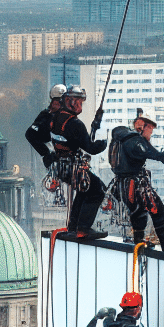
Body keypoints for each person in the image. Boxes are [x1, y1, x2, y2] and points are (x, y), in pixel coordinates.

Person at [109, 107, 164, 251]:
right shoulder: (136, 142)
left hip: (122, 186)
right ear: (142, 125)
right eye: (150, 129)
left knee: (138, 214)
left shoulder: (120, 139)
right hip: (136, 186)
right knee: (162, 217)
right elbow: (162, 158)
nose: (151, 133)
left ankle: (139, 242)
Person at [49, 85, 108, 241]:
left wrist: (93, 127)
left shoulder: (55, 118)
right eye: (79, 102)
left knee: (85, 191)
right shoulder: (75, 123)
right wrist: (103, 143)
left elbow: (76, 139)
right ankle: (82, 228)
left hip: (61, 167)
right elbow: (90, 148)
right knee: (98, 189)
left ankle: (74, 226)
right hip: (73, 167)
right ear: (70, 101)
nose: (81, 105)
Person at [26, 83, 68, 167]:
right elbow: (30, 134)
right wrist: (46, 153)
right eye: (58, 100)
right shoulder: (45, 115)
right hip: (53, 160)